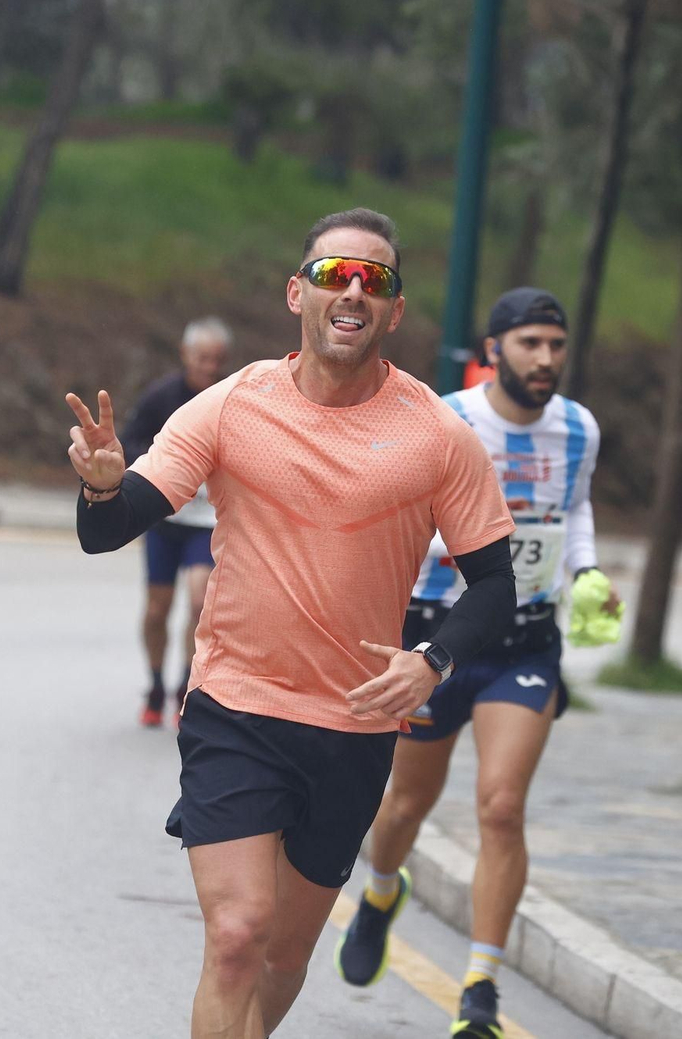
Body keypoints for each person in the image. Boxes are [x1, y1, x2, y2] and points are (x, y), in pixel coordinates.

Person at [66, 208, 517, 1039]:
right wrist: (101, 484)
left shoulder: (438, 437)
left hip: (354, 726)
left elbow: (494, 586)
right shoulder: (234, 404)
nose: (352, 290)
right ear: (295, 293)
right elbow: (109, 528)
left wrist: (433, 660)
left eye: (374, 280)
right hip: (238, 706)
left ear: (394, 310)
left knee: (280, 956)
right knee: (237, 935)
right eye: (334, 273)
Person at [334, 286, 621, 1039]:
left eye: (556, 346)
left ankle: (481, 988)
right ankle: (382, 891)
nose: (546, 359)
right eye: (531, 344)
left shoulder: (578, 429)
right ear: (495, 351)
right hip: (439, 638)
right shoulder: (448, 418)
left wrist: (585, 572)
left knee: (500, 805)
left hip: (524, 641)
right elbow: (395, 507)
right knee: (404, 806)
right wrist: (460, 548)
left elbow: (574, 510)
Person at [122, 317, 232, 726]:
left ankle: (185, 685)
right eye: (203, 358)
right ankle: (153, 685)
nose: (210, 367)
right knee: (157, 609)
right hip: (166, 519)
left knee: (201, 600)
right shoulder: (162, 397)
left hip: (208, 521)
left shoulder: (231, 398)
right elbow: (130, 441)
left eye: (218, 360)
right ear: (186, 355)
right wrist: (168, 466)